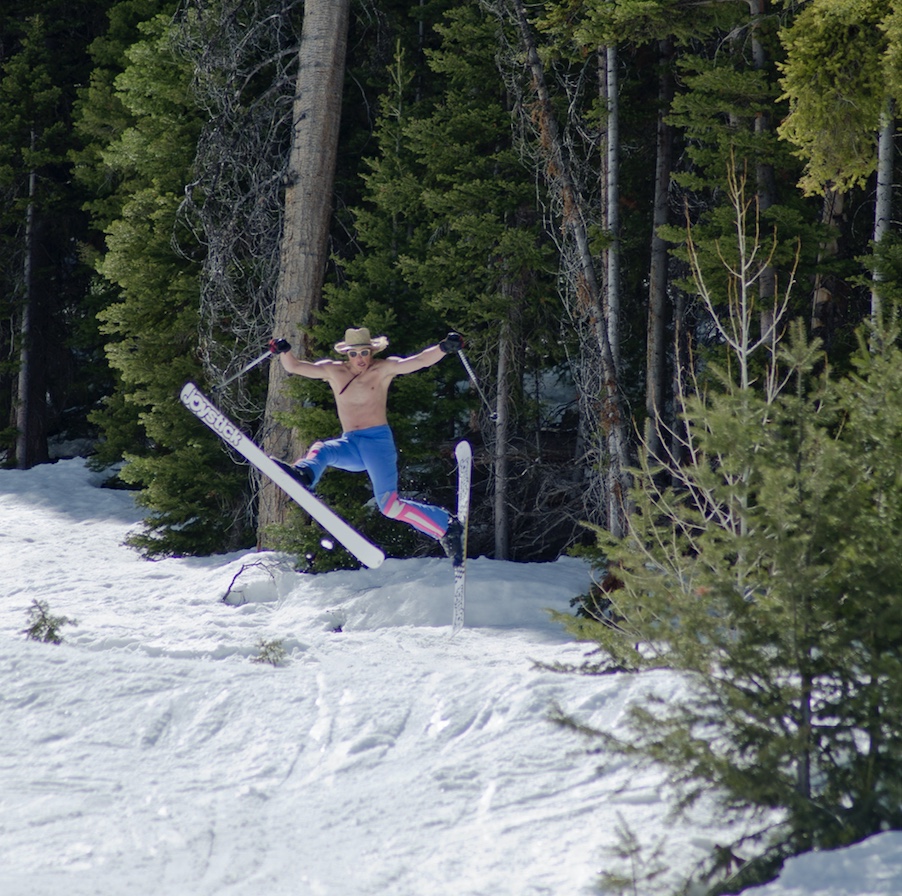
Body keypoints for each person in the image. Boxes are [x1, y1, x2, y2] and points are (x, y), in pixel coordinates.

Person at [267, 327, 465, 563]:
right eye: (354, 354)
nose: (360, 359)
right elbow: (295, 367)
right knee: (324, 448)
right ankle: (305, 474)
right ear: (346, 354)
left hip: (377, 444)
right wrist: (284, 351)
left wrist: (443, 348)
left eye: (364, 352)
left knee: (389, 506)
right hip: (350, 443)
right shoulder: (334, 370)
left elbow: (420, 361)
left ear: (372, 351)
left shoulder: (382, 369)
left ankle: (446, 526)